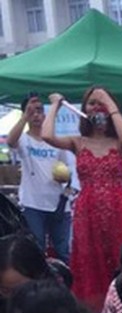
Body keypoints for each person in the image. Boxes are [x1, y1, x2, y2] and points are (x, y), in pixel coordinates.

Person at [42, 86, 122, 310]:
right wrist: (56, 105)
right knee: (91, 267)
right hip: (88, 214)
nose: (97, 107)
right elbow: (47, 135)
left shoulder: (119, 143)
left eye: (102, 103)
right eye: (92, 103)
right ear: (83, 108)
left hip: (119, 212)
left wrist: (107, 99)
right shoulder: (78, 142)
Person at [7, 93, 72, 263]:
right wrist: (24, 117)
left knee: (63, 250)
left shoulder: (55, 140)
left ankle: (65, 285)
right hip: (33, 203)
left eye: (40, 110)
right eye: (31, 111)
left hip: (58, 204)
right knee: (37, 248)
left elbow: (68, 171)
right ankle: (39, 286)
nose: (36, 115)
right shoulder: (23, 139)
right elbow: (10, 141)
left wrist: (65, 183)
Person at [0, 234, 70, 313]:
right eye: (5, 291)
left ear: (40, 277)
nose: (14, 298)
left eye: (21, 290)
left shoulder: (60, 303)